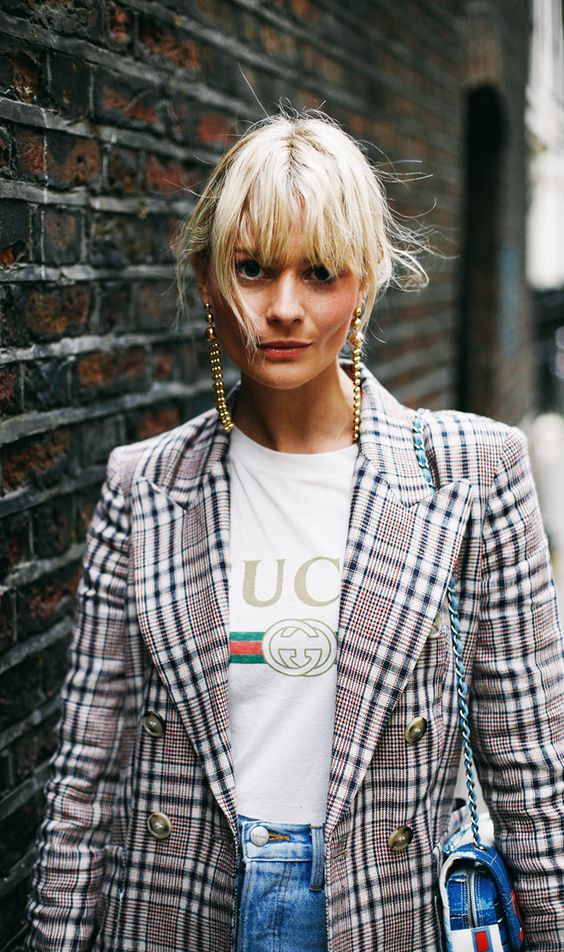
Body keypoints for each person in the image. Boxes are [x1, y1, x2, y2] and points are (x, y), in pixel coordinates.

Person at [25, 111, 564, 952]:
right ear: (208, 279)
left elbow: (531, 767)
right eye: (252, 269)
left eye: (318, 272)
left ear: (365, 280)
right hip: (178, 911)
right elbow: (84, 779)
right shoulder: (145, 485)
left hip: (386, 911)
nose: (282, 308)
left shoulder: (472, 473)